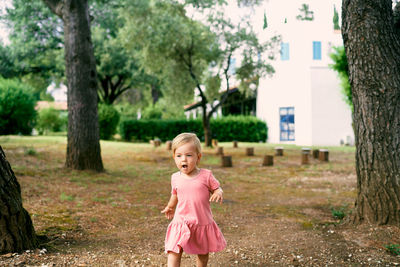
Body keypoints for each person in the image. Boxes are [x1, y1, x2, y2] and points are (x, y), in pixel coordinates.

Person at [161, 133, 226, 267]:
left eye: (189, 155)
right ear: (174, 157)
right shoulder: (175, 177)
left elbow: (217, 188)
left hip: (201, 221)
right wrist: (170, 207)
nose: (183, 159)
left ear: (198, 157)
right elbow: (175, 194)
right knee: (174, 250)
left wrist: (218, 192)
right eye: (179, 156)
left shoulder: (206, 175)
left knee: (202, 253)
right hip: (181, 221)